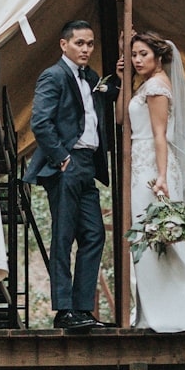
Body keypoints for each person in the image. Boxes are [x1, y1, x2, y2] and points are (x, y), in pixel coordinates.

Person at [121, 31, 185, 333]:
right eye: (134, 54)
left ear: (158, 56)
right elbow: (120, 119)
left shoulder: (155, 86)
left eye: (143, 55)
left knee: (154, 237)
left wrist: (162, 177)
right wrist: (122, 79)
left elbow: (160, 136)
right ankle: (153, 311)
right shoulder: (145, 84)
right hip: (142, 165)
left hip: (151, 168)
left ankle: (184, 309)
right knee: (147, 239)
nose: (137, 60)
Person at [23, 20, 117, 333]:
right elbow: (40, 122)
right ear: (64, 45)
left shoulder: (91, 77)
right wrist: (62, 157)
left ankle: (81, 309)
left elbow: (102, 101)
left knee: (94, 235)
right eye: (79, 43)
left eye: (90, 44)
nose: (86, 49)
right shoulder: (53, 75)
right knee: (63, 237)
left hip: (88, 164)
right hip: (65, 163)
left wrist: (116, 78)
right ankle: (64, 311)